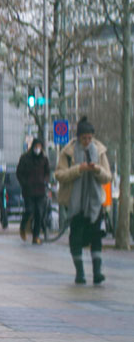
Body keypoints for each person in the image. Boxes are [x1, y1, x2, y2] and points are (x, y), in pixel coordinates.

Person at [55, 117, 112, 285]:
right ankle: (80, 272)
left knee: (96, 238)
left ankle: (97, 272)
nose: (87, 141)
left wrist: (97, 170)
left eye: (90, 138)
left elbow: (107, 176)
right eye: (84, 138)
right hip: (75, 202)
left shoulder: (100, 151)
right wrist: (78, 169)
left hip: (94, 202)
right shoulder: (68, 152)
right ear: (78, 137)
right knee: (76, 238)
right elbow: (59, 175)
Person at [16, 138, 50, 244]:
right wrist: (24, 183)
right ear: (32, 147)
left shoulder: (44, 159)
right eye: (36, 147)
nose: (37, 149)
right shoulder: (25, 158)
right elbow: (19, 173)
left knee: (39, 213)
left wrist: (45, 180)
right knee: (30, 210)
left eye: (39, 147)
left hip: (40, 190)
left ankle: (36, 236)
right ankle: (23, 227)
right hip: (28, 190)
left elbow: (47, 173)